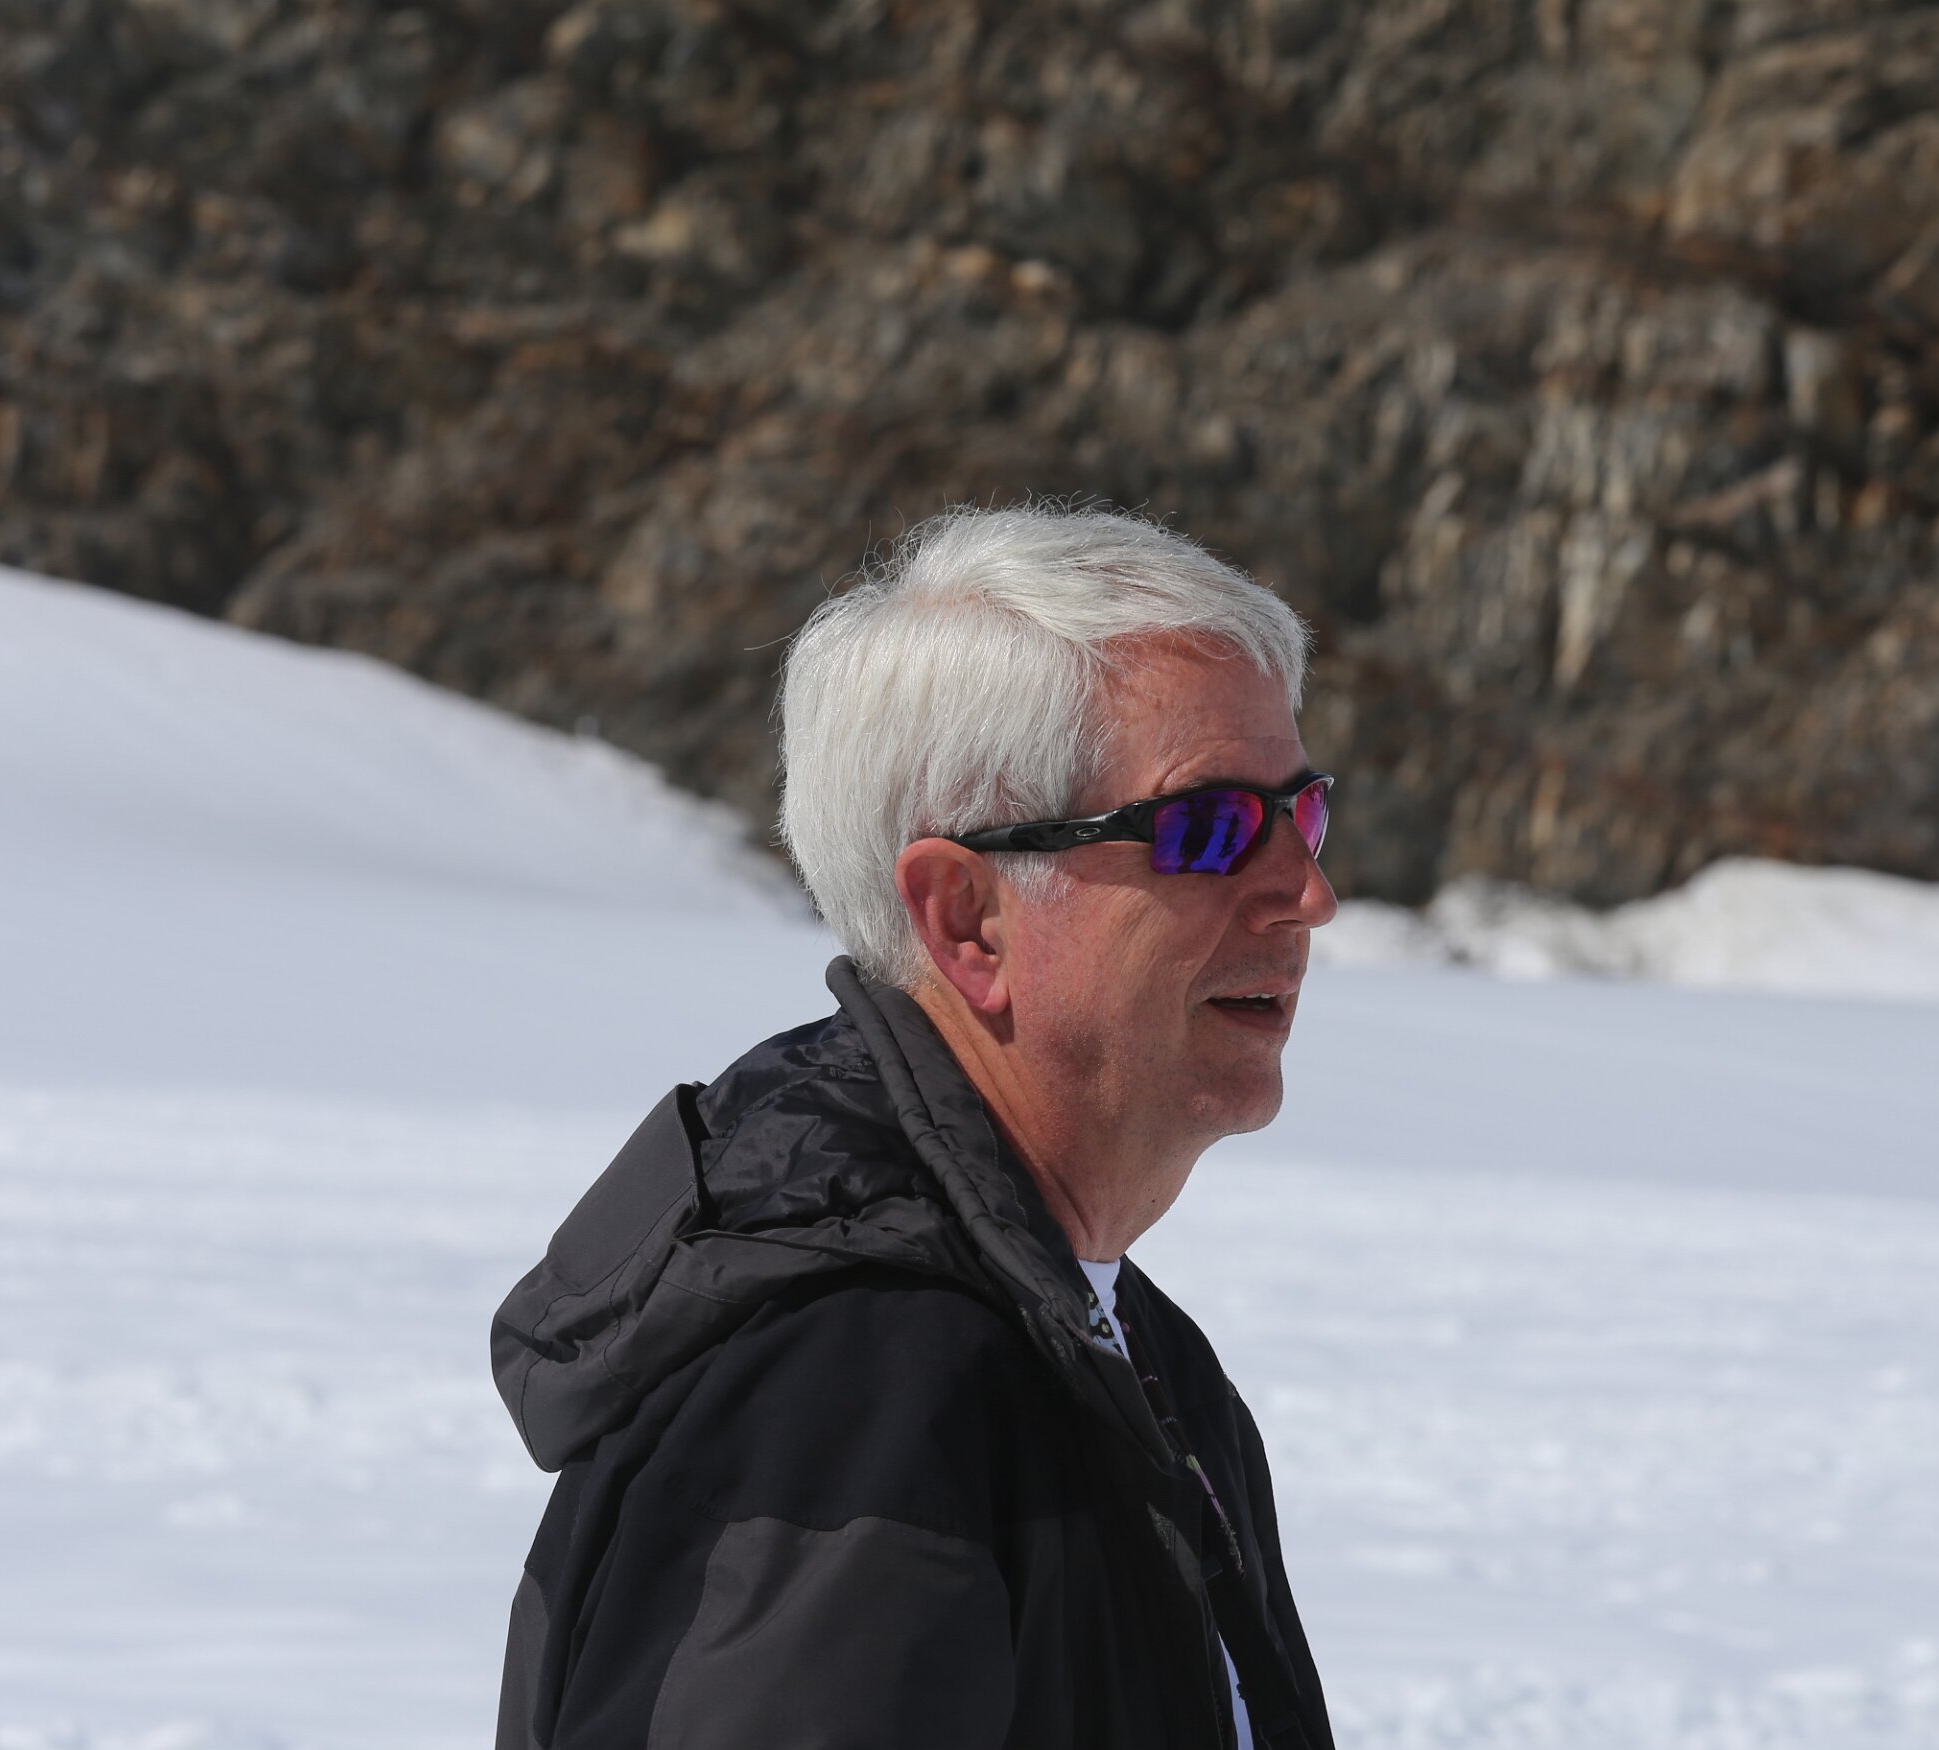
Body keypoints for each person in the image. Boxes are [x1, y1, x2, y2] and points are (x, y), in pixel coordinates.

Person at [490, 504, 1340, 1749]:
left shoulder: (1115, 1346)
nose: (1308, 893)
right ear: (966, 918)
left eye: (1302, 814)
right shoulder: (851, 1390)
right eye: (1207, 829)